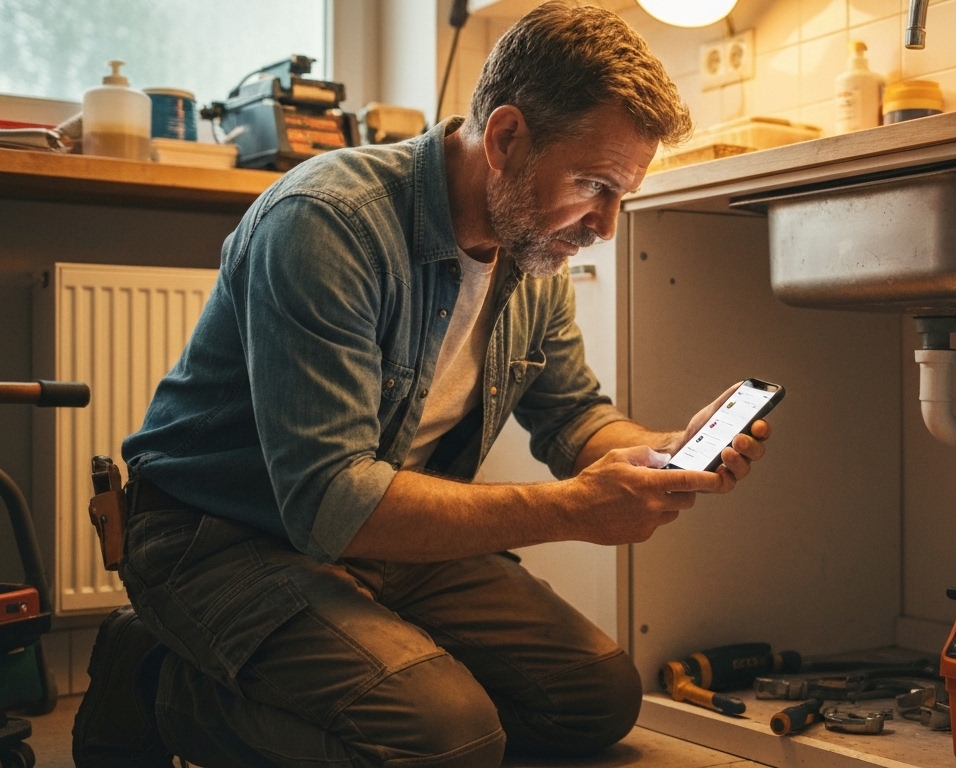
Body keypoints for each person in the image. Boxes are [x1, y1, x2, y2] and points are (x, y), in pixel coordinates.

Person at [71, 4, 772, 767]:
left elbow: (575, 417)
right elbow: (331, 500)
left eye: (620, 195)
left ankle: (343, 663)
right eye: (594, 184)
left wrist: (664, 452)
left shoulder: (533, 251)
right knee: (447, 739)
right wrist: (572, 509)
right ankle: (154, 679)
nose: (604, 225)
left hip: (385, 532)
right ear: (506, 139)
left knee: (596, 697)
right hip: (221, 535)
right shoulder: (328, 221)